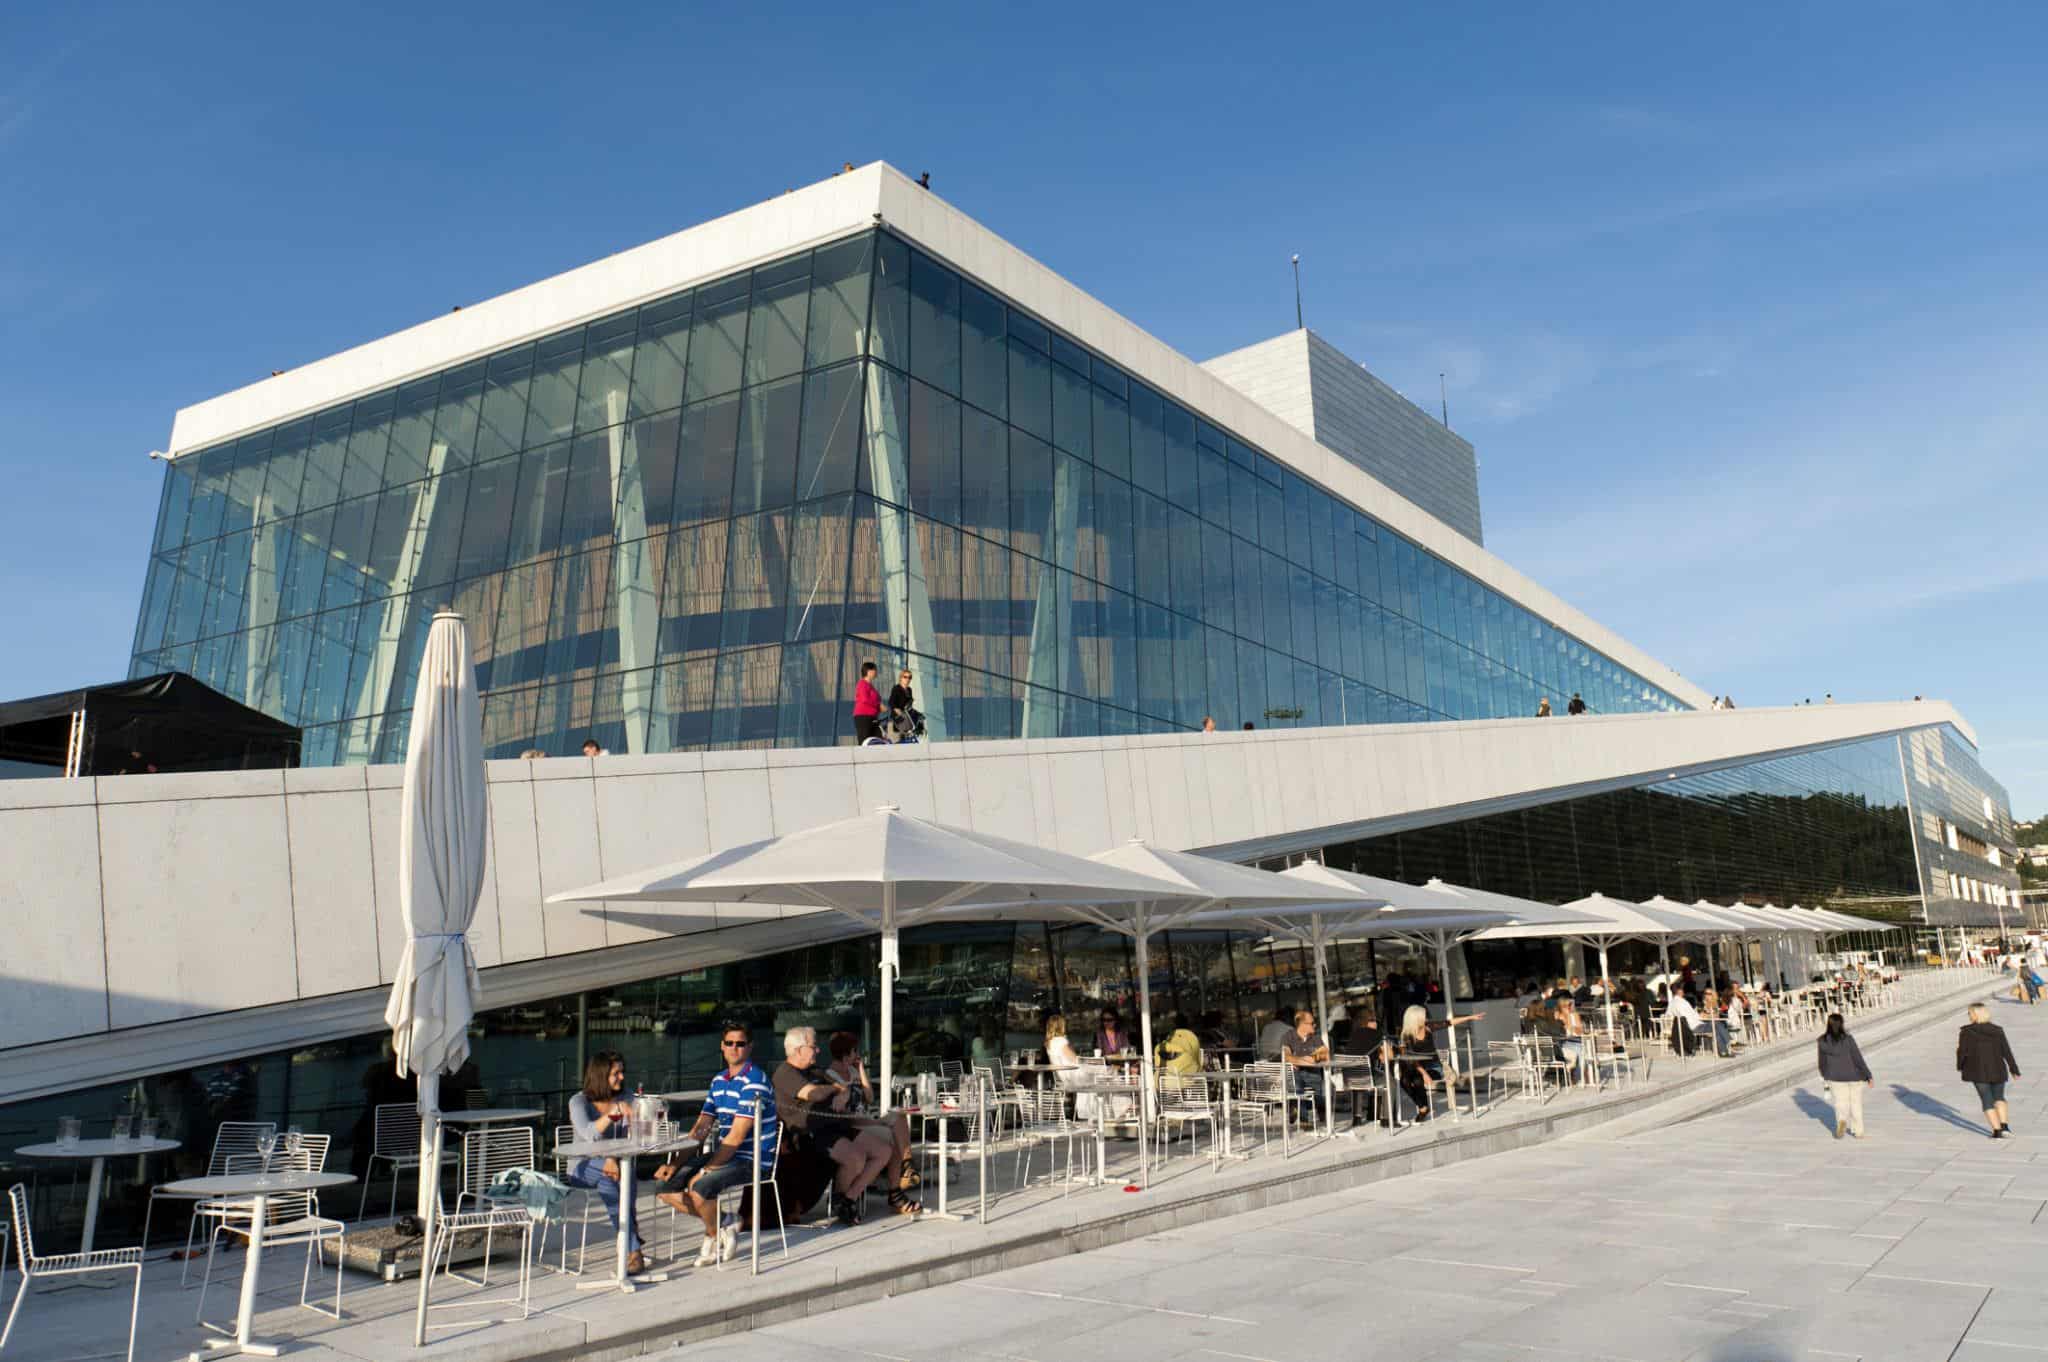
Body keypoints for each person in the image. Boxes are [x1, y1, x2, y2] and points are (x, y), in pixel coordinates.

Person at [654, 1023, 774, 1266]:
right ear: (722, 1046)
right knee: (664, 1188)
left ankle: (711, 1235)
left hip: (753, 1159)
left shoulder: (755, 1081)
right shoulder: (719, 1080)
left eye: (740, 1043)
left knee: (700, 1188)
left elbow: (736, 1136)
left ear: (749, 1047)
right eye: (729, 1043)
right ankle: (724, 1222)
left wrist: (706, 1169)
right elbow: (701, 1130)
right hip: (726, 1155)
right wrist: (675, 1163)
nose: (734, 1048)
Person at [772, 1027, 915, 1221]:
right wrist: (835, 1090)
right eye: (814, 1046)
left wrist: (841, 1092)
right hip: (811, 1135)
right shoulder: (785, 1073)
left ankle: (848, 1199)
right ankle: (841, 1199)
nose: (818, 1050)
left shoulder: (815, 1071)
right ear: (799, 1050)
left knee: (884, 1151)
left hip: (838, 1126)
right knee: (856, 1157)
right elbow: (813, 1093)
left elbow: (844, 1089)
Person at [565, 1051, 646, 1275]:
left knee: (615, 1177)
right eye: (615, 1073)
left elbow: (635, 1136)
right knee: (611, 1175)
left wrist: (640, 1118)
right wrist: (612, 1113)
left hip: (616, 1166)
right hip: (581, 1168)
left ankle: (629, 1243)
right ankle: (633, 1248)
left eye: (622, 1072)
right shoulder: (579, 1101)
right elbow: (589, 1134)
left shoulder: (627, 1096)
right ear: (601, 1075)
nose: (621, 1077)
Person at [1382, 1004, 1484, 1123]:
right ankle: (1423, 1107)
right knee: (1404, 1079)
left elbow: (1449, 1022)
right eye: (1423, 1016)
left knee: (1417, 1080)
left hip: (1434, 1067)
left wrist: (1470, 1017)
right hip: (1417, 1066)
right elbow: (1412, 1058)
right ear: (1415, 1018)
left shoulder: (1428, 1028)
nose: (1426, 1018)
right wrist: (1424, 1073)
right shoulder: (1406, 1035)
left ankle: (1423, 1108)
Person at [1957, 1002, 2022, 1139]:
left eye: (1969, 1013)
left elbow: (1962, 1052)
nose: (1968, 1015)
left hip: (1977, 1070)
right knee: (1999, 1097)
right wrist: (2014, 1069)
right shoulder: (1997, 1030)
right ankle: (2005, 1127)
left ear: (1975, 1014)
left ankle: (1997, 1132)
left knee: (1986, 1100)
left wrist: (1960, 1066)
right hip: (1997, 1069)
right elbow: (2006, 1050)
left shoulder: (1966, 1032)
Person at [1815, 1013, 1872, 1140]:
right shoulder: (1848, 1039)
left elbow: (1821, 1062)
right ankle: (1859, 1131)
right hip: (1853, 1075)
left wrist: (1825, 1075)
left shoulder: (1822, 1041)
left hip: (1835, 1077)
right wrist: (1868, 1075)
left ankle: (1841, 1120)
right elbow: (1858, 1058)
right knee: (1855, 1103)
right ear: (1841, 1024)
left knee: (1841, 1103)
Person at [1280, 1009, 1331, 1125]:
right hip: (1296, 1073)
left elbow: (1325, 1054)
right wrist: (1306, 1061)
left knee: (1327, 1087)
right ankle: (1304, 1121)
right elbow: (1286, 1056)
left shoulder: (1315, 1037)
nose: (1315, 1025)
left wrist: (1312, 1059)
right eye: (1312, 1023)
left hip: (1313, 1073)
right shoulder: (1288, 1036)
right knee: (1296, 1085)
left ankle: (1319, 1109)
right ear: (1302, 1024)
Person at [851, 661, 884, 744]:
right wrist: (879, 705)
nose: (876, 672)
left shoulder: (870, 686)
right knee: (864, 741)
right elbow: (865, 699)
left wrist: (879, 708)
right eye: (875, 669)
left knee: (878, 740)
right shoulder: (862, 684)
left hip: (872, 717)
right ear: (869, 672)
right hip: (863, 717)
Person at [887, 668, 924, 738]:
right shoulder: (896, 688)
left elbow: (908, 706)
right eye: (905, 677)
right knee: (899, 741)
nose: (908, 679)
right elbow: (891, 703)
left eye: (910, 677)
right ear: (901, 678)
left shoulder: (909, 690)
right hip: (898, 720)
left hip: (907, 719)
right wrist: (900, 713)